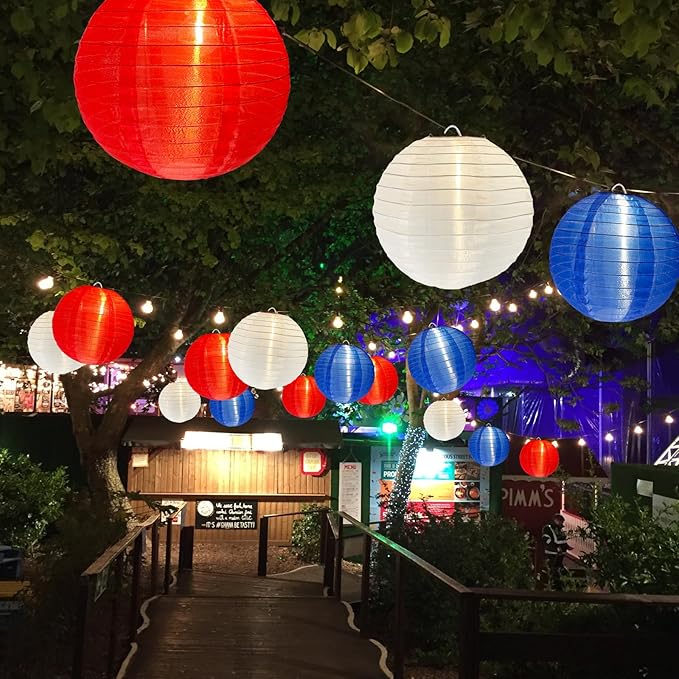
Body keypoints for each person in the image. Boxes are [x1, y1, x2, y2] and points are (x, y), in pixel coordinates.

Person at [541, 513, 570, 590]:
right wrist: (556, 547)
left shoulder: (560, 529)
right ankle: (555, 586)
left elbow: (562, 539)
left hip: (560, 554)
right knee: (553, 570)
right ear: (556, 520)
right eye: (560, 522)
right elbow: (546, 540)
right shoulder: (548, 528)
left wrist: (566, 546)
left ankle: (560, 585)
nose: (562, 524)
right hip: (552, 553)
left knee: (559, 569)